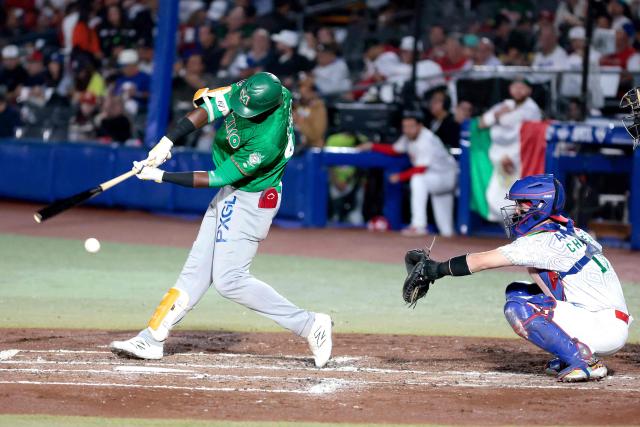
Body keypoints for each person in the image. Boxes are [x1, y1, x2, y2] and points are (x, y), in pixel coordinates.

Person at [109, 72, 333, 368]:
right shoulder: (262, 85)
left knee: (230, 280)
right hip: (234, 192)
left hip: (252, 199)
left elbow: (217, 177)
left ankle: (309, 324)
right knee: (195, 270)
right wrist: (167, 142)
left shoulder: (268, 140)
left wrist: (160, 176)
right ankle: (152, 338)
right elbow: (212, 107)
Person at [404, 174, 631, 382]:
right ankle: (572, 350)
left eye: (522, 203)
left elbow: (482, 261)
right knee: (518, 291)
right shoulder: (573, 231)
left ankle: (585, 361)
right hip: (601, 318)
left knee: (518, 308)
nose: (516, 210)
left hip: (602, 326)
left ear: (540, 205)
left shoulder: (542, 241)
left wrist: (436, 270)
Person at [359, 110, 457, 237]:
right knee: (446, 230)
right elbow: (394, 150)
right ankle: (450, 250)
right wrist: (373, 146)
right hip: (434, 178)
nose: (407, 130)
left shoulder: (426, 139)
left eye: (411, 126)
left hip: (446, 177)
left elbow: (421, 169)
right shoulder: (408, 137)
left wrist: (400, 177)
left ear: (420, 126)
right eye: (405, 126)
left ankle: (418, 225)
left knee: (418, 179)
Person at [479, 79, 542, 221]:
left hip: (520, 157)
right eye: (515, 86)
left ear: (529, 90)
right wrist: (497, 114)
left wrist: (499, 117)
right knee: (495, 195)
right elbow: (482, 122)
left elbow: (510, 123)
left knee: (519, 195)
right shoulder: (504, 105)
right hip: (499, 155)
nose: (518, 90)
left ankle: (523, 228)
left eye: (522, 87)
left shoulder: (532, 108)